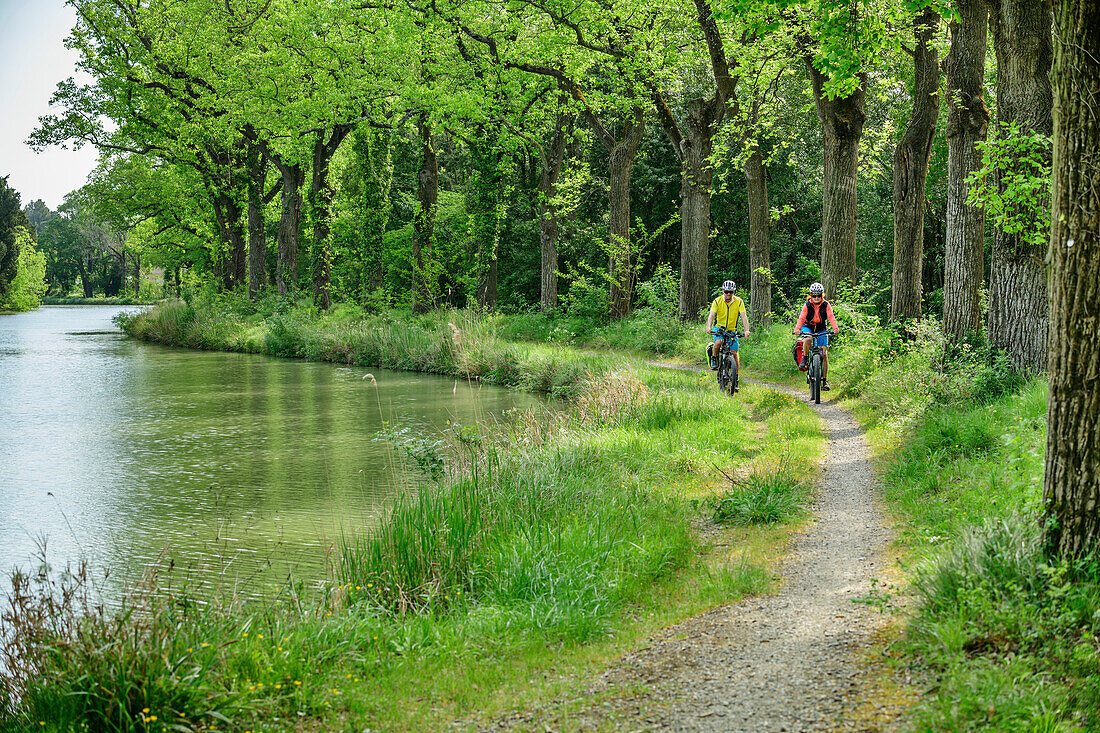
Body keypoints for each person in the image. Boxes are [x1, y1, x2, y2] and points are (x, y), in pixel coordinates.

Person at [705, 280, 751, 389]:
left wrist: (747, 330)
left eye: (731, 292)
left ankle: (735, 379)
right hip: (719, 328)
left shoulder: (739, 302)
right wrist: (709, 327)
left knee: (734, 354)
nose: (728, 294)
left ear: (734, 292)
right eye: (726, 292)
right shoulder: (717, 301)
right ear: (723, 291)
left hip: (732, 330)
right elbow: (712, 315)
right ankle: (714, 358)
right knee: (718, 342)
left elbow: (744, 316)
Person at [793, 282, 840, 390]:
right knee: (808, 338)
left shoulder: (826, 305)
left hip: (821, 328)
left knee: (824, 353)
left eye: (819, 295)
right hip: (808, 326)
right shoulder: (807, 305)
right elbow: (801, 318)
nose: (816, 298)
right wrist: (797, 329)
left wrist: (835, 328)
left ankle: (824, 381)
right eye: (814, 295)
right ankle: (805, 358)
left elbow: (831, 317)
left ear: (822, 295)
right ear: (811, 295)